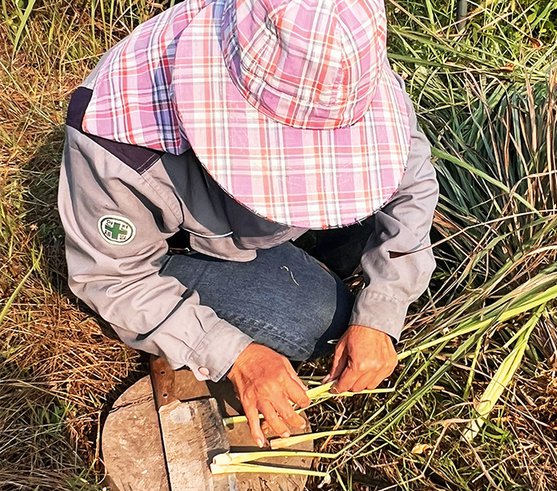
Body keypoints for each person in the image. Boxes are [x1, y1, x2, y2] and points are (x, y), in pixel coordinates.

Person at [57, 0, 438, 448]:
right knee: (319, 320)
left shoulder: (329, 52)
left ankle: (302, 265)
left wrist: (380, 311)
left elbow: (410, 179)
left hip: (247, 223)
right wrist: (235, 354)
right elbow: (112, 276)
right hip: (187, 245)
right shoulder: (120, 140)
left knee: (356, 256)